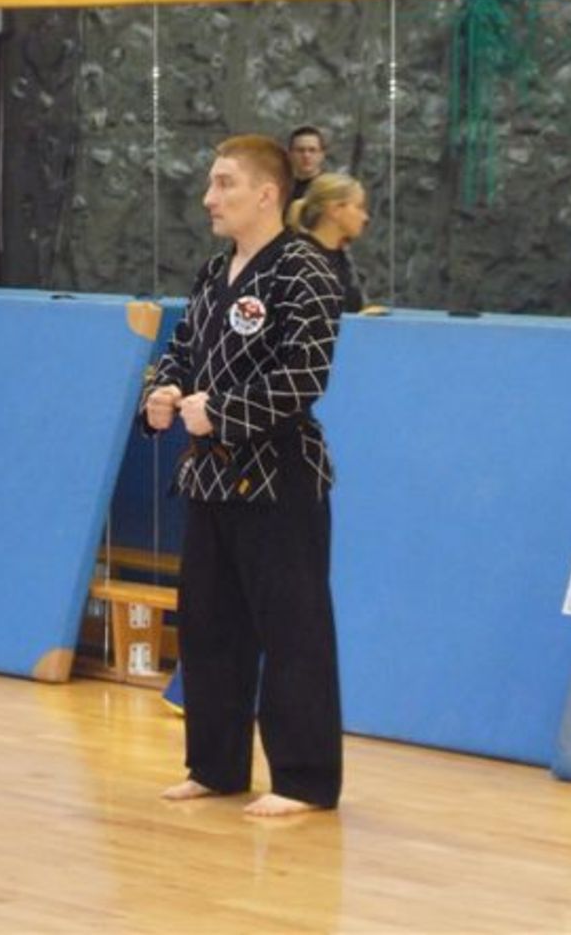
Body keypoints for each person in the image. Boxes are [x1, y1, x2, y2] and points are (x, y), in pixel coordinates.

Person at [143, 134, 344, 818]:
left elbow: (303, 378)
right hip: (209, 479)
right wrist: (163, 395)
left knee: (293, 632)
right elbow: (182, 349)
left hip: (281, 477)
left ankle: (304, 779)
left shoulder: (306, 270)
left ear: (267, 194)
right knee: (209, 628)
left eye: (224, 183)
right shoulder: (212, 272)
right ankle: (215, 766)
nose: (209, 197)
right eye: (210, 183)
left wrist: (222, 412)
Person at [288, 172, 370, 313]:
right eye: (359, 207)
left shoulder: (344, 258)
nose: (365, 217)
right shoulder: (301, 261)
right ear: (335, 210)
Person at [287, 125, 327, 205]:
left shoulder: (330, 189)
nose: (306, 155)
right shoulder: (281, 189)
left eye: (312, 150)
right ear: (290, 154)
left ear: (322, 154)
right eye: (300, 150)